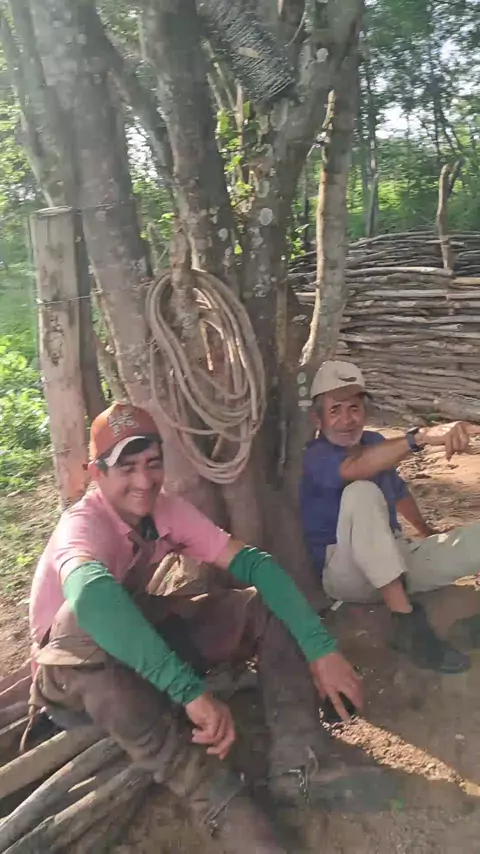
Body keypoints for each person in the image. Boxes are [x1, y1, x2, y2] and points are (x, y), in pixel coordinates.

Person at [29, 402, 386, 854]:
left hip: (138, 642)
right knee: (81, 618)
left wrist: (320, 647)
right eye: (126, 468)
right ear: (96, 473)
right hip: (75, 676)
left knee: (262, 605)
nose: (143, 481)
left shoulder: (163, 509)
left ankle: (299, 762)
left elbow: (255, 564)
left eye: (152, 463)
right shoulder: (83, 525)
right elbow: (93, 601)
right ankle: (217, 800)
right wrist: (190, 692)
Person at [300, 360, 480, 676]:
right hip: (347, 575)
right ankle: (408, 626)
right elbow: (356, 469)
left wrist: (427, 532)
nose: (347, 419)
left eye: (354, 408)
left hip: (395, 560)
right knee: (361, 492)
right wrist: (421, 437)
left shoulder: (374, 443)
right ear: (318, 418)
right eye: (335, 410)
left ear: (365, 411)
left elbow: (397, 493)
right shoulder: (315, 455)